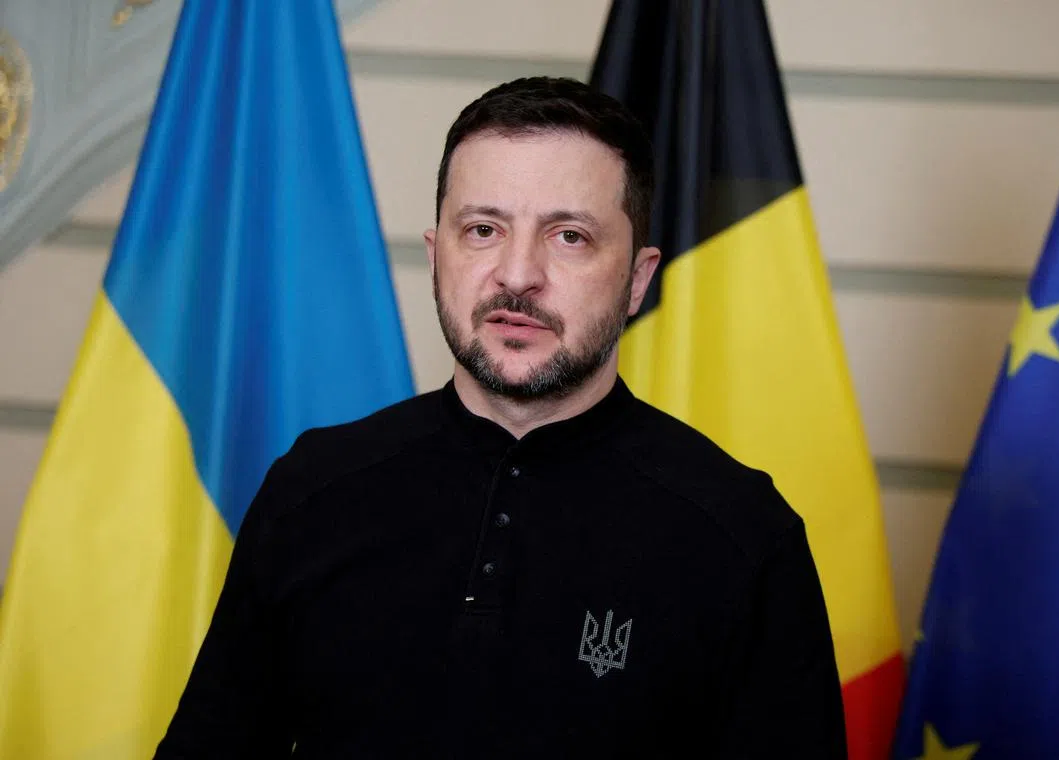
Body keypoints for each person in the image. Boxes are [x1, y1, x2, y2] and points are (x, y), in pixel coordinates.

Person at [154, 76, 847, 758]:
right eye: (483, 230)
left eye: (569, 236)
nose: (517, 275)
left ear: (637, 279)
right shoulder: (311, 490)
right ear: (438, 257)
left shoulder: (743, 533)